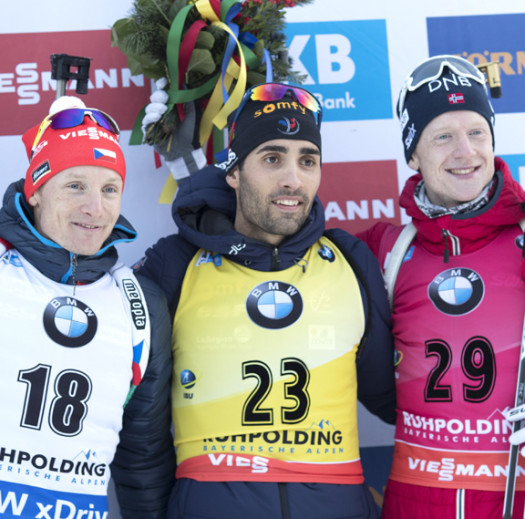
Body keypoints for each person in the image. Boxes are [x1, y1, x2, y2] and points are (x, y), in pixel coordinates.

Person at [136, 82, 396, 519]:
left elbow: (395, 403)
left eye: (307, 160)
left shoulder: (350, 260)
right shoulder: (175, 263)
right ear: (233, 172)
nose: (292, 179)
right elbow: (139, 424)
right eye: (272, 158)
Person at [357, 55, 525, 518]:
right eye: (443, 137)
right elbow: (280, 255)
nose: (465, 152)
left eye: (476, 133)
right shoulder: (383, 251)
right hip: (414, 501)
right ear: (413, 153)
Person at [0, 97, 175, 518]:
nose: (96, 209)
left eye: (109, 189)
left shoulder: (139, 303)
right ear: (36, 191)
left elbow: (143, 457)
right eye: (75, 185)